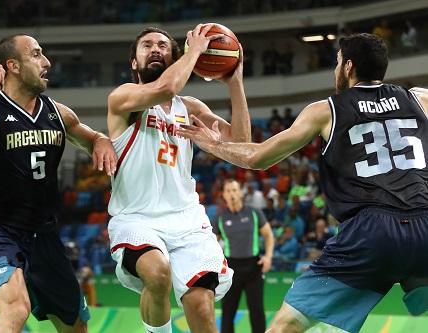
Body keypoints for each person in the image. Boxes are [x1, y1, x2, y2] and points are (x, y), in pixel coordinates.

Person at [178, 33, 428, 333]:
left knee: (287, 325)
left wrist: (214, 145)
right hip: (425, 225)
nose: (336, 69)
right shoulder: (420, 98)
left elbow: (258, 158)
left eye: (337, 63)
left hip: (370, 234)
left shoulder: (326, 110)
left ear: (348, 67)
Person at [0, 34, 117, 333]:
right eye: (36, 54)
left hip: (45, 235)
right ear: (14, 66)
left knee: (76, 327)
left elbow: (93, 137)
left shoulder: (57, 113)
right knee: (15, 310)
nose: (46, 62)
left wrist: (100, 141)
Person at [106, 24, 251, 333]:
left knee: (200, 305)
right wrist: (196, 50)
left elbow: (241, 140)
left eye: (162, 45)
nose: (155, 49)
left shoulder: (191, 108)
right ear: (134, 62)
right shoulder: (124, 97)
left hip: (186, 220)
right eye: (147, 45)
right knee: (157, 273)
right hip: (136, 218)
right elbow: (166, 89)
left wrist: (235, 82)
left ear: (174, 58)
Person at [212, 179, 274, 333]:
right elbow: (210, 243)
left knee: (257, 311)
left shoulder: (254, 213)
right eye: (228, 191)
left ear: (240, 193)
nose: (232, 194)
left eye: (234, 190)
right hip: (231, 269)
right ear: (223, 195)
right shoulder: (220, 218)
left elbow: (268, 235)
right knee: (228, 312)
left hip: (254, 268)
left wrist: (268, 257)